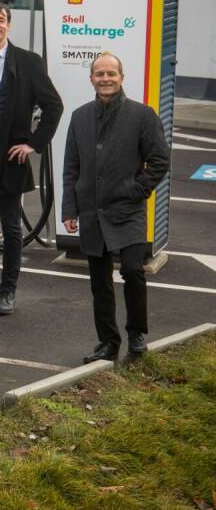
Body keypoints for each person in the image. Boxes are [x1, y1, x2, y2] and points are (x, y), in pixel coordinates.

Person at [61, 52, 170, 363]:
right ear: (92, 79)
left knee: (134, 270)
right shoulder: (80, 116)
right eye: (100, 74)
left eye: (111, 73)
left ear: (122, 78)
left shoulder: (142, 115)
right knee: (99, 281)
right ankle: (108, 342)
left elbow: (160, 161)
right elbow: (71, 166)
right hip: (91, 212)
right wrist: (70, 209)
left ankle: (137, 335)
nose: (105, 79)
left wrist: (135, 190)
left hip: (128, 211)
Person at [0, 2, 63, 315]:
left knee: (10, 225)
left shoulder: (29, 62)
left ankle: (8, 291)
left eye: (2, 20)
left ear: (9, 26)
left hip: (11, 157)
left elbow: (53, 106)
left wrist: (33, 144)